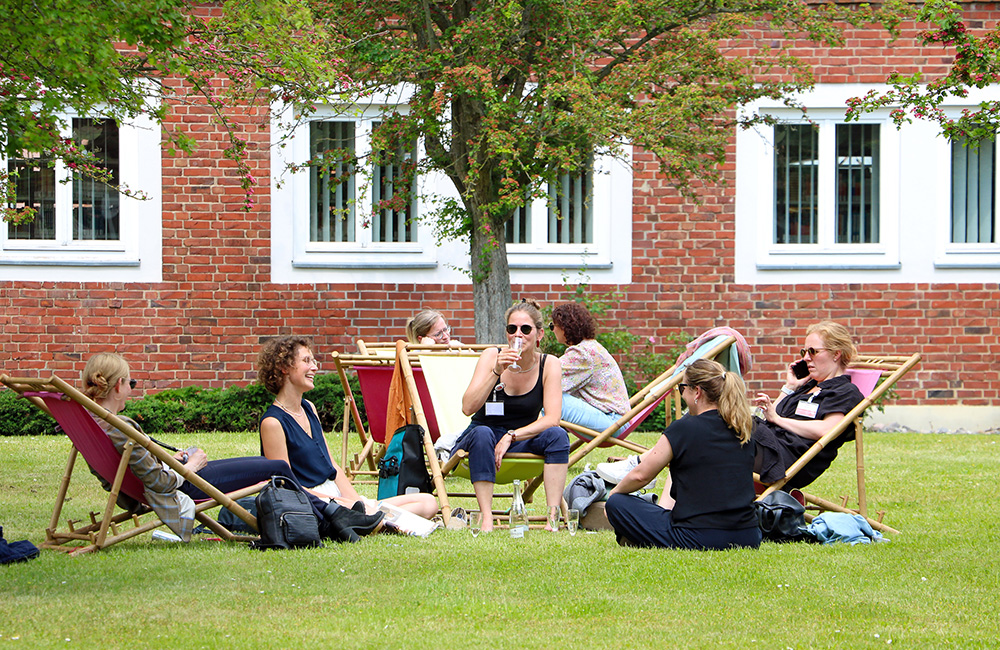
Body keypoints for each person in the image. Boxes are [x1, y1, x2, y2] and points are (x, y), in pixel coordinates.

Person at [81, 352, 384, 543]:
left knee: (268, 468)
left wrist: (171, 459)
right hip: (183, 485)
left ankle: (335, 514)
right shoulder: (119, 427)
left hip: (175, 478)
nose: (132, 390)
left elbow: (138, 471)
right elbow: (159, 483)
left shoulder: (96, 423)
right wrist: (191, 464)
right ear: (119, 385)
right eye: (131, 383)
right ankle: (334, 516)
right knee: (276, 468)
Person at [258, 336, 438, 519]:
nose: (314, 367)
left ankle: (370, 519)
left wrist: (357, 504)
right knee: (380, 514)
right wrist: (341, 503)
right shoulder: (272, 423)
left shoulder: (308, 408)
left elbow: (332, 466)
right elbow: (287, 486)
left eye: (313, 360)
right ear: (284, 368)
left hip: (336, 497)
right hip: (310, 503)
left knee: (428, 502)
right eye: (306, 361)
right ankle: (372, 521)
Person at [604, 358, 761, 550]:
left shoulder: (684, 428)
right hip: (749, 536)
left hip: (697, 535)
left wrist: (614, 494)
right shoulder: (743, 427)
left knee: (618, 504)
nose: (682, 394)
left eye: (682, 388)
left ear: (697, 392)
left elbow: (641, 475)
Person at [452, 299, 570, 532]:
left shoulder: (549, 364)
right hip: (480, 438)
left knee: (558, 435)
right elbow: (467, 407)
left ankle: (552, 517)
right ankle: (486, 518)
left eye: (525, 329)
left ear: (539, 334)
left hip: (520, 439)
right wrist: (497, 371)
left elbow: (552, 418)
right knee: (483, 433)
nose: (518, 335)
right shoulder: (491, 357)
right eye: (512, 329)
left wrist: (511, 435)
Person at [752, 321, 864, 488]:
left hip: (782, 458)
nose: (805, 358)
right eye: (804, 352)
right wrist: (789, 388)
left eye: (813, 351)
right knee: (719, 424)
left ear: (836, 354)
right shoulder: (807, 386)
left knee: (720, 430)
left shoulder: (845, 392)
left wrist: (777, 419)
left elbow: (827, 430)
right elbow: (771, 415)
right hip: (766, 444)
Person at [550, 302, 630, 432]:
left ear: (564, 327)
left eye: (552, 325)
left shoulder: (582, 353)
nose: (552, 330)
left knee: (547, 397)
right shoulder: (590, 347)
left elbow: (547, 376)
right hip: (615, 419)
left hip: (612, 422)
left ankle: (529, 439)